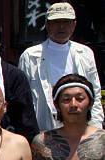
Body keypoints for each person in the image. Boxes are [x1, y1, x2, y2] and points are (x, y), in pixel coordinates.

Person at [18, 2, 104, 132]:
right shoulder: (30, 56)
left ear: (74, 24)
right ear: (47, 25)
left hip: (81, 128)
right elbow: (23, 99)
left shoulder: (86, 53)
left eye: (66, 22)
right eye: (56, 22)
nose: (61, 26)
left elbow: (95, 93)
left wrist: (96, 127)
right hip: (44, 128)